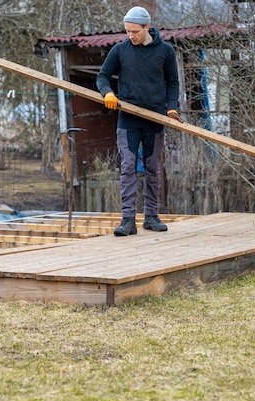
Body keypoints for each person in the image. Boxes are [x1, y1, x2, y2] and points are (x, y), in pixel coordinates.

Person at [96, 6, 183, 236]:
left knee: (153, 168)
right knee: (127, 167)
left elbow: (173, 82)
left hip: (154, 118)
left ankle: (151, 217)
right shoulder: (120, 50)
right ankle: (128, 220)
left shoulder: (165, 51)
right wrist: (107, 93)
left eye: (135, 31)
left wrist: (171, 107)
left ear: (147, 27)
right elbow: (102, 76)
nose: (130, 36)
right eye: (127, 31)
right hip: (128, 119)